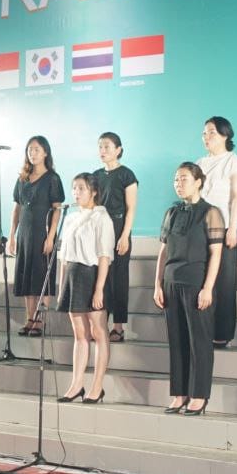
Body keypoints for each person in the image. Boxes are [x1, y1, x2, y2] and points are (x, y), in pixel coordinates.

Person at [154, 162, 225, 416]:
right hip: (172, 282)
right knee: (177, 341)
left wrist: (208, 287)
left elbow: (216, 253)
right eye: (176, 179)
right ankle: (179, 393)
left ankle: (199, 395)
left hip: (197, 283)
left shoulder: (211, 212)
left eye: (184, 179)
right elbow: (163, 251)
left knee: (200, 342)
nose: (178, 183)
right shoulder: (171, 213)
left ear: (198, 181)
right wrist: (157, 284)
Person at [57, 173, 115, 404]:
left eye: (81, 188)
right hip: (72, 274)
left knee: (98, 331)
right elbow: (63, 257)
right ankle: (76, 384)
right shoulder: (70, 218)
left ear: (93, 191)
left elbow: (104, 255)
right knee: (79, 334)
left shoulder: (102, 217)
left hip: (91, 275)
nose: (76, 193)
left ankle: (97, 386)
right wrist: (62, 286)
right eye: (74, 188)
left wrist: (99, 288)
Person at [197, 116, 237, 348]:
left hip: (225, 226)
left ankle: (222, 331)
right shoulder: (199, 163)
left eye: (212, 132)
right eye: (204, 133)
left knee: (224, 281)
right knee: (201, 277)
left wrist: (233, 228)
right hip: (199, 227)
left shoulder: (235, 162)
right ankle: (202, 327)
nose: (206, 137)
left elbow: (236, 197)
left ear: (226, 135)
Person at [8, 135, 64, 336]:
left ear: (45, 153)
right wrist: (12, 236)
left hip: (43, 233)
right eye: (30, 149)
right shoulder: (22, 178)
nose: (32, 153)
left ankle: (40, 320)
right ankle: (29, 318)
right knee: (27, 276)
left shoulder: (52, 178)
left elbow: (57, 209)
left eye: (37, 150)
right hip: (24, 233)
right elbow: (17, 208)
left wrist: (51, 237)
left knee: (42, 276)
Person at [91, 132, 138, 343]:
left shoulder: (127, 175)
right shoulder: (95, 176)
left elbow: (131, 208)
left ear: (118, 149)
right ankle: (100, 324)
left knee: (118, 278)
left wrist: (125, 236)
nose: (103, 151)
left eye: (107, 147)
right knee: (99, 276)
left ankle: (118, 327)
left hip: (119, 228)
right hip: (99, 227)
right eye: (100, 147)